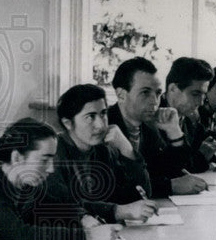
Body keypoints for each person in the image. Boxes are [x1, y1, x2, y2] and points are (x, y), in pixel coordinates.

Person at [46, 84, 157, 224]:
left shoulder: (103, 149)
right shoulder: (52, 153)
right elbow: (62, 206)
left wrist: (127, 150)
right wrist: (118, 211)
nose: (100, 125)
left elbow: (140, 193)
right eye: (90, 117)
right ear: (68, 123)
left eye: (103, 114)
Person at [107, 58, 206, 197]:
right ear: (121, 95)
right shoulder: (103, 125)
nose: (155, 101)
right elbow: (115, 189)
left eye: (158, 93)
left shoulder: (148, 127)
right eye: (145, 92)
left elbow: (173, 170)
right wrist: (170, 186)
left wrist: (174, 132)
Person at [156, 57, 215, 173]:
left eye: (203, 95)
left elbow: (209, 152)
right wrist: (200, 158)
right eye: (195, 94)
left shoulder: (189, 119)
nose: (201, 102)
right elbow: (172, 170)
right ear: (172, 89)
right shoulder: (153, 117)